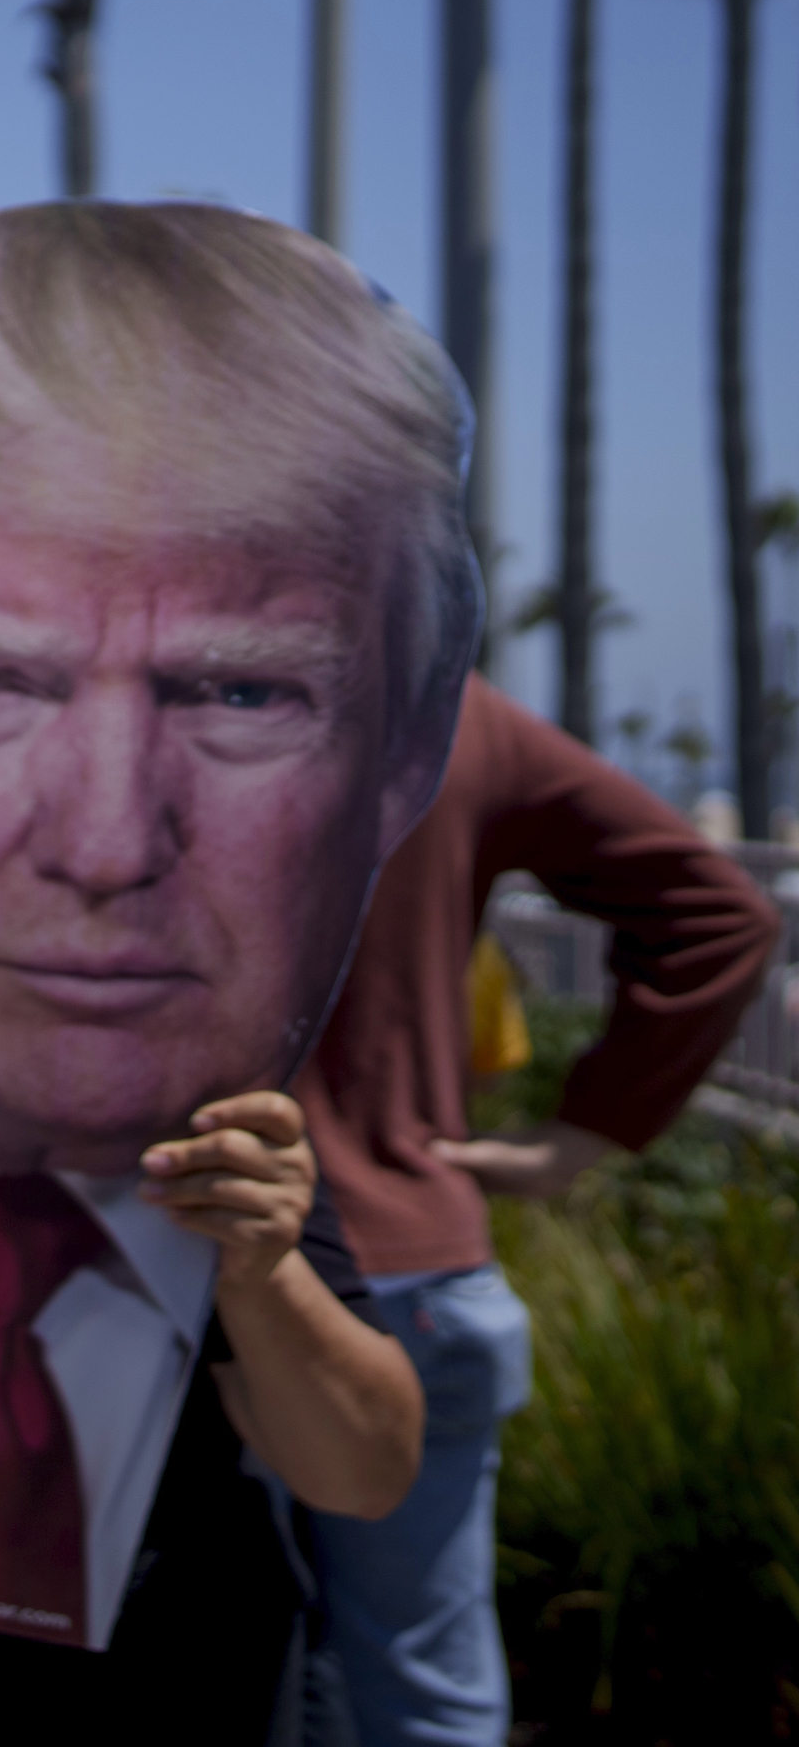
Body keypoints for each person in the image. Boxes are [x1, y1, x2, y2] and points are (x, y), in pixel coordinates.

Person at [0, 201, 437, 1740]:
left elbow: (367, 1464)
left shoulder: (206, 1132)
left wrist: (261, 1275)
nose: (108, 838)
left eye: (238, 691)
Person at [292, 673, 777, 1747]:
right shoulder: (432, 705)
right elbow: (719, 909)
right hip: (413, 1262)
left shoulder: (141, 680)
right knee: (424, 1691)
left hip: (188, 1276)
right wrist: (584, 1134)